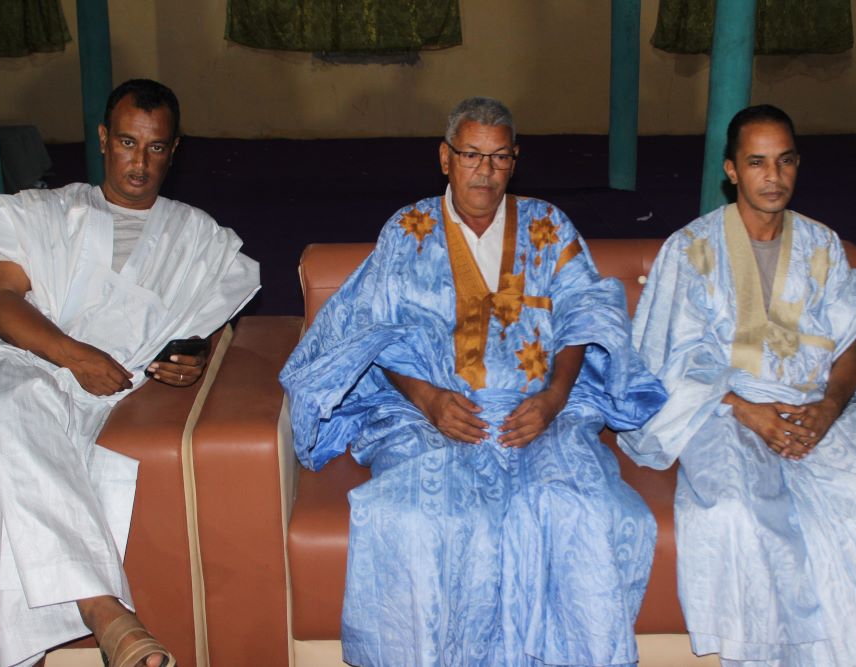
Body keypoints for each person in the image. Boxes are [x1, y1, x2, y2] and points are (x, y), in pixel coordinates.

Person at [280, 97, 667, 666]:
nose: (485, 170)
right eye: (471, 155)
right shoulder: (407, 230)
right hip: (426, 416)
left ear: (515, 160)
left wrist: (555, 398)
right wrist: (428, 399)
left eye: (499, 157)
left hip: (539, 413)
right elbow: (369, 329)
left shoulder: (547, 225)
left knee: (579, 510)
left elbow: (586, 312)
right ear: (446, 158)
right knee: (421, 519)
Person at [620, 104, 856, 665]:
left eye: (785, 161)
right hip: (721, 412)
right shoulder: (692, 249)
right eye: (756, 162)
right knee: (738, 516)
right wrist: (746, 410)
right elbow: (664, 360)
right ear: (731, 170)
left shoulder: (824, 247)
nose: (772, 177)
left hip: (816, 409)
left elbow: (849, 344)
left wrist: (829, 408)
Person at [0, 79, 259, 667]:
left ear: (174, 149)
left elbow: (208, 326)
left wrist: (192, 359)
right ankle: (105, 610)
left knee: (0, 441)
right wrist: (73, 356)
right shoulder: (45, 211)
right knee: (14, 401)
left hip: (107, 393)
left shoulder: (198, 236)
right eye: (126, 142)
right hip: (13, 362)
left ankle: (6, 639)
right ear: (102, 138)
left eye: (156, 147)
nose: (139, 163)